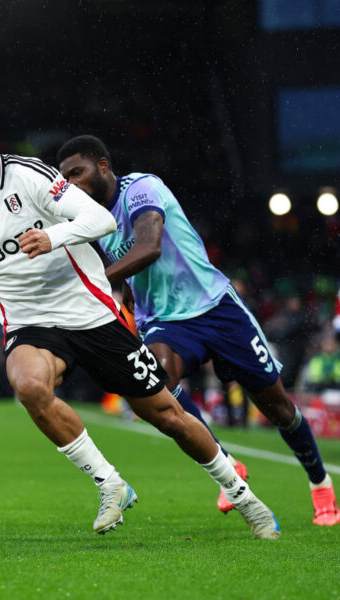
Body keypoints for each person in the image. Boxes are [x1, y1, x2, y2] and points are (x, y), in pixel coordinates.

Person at [0, 100, 280, 539]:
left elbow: (99, 219)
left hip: (90, 313)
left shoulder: (30, 175)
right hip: (29, 321)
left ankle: (241, 493)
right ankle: (110, 483)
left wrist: (52, 236)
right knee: (28, 384)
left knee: (166, 415)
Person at [57, 134, 340, 527]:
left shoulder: (141, 188)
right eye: (65, 177)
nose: (71, 183)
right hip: (164, 321)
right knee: (158, 380)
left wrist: (95, 284)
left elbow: (149, 246)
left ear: (102, 166)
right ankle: (225, 462)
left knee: (278, 407)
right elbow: (133, 275)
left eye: (77, 172)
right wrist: (131, 311)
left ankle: (320, 482)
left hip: (215, 308)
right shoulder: (94, 222)